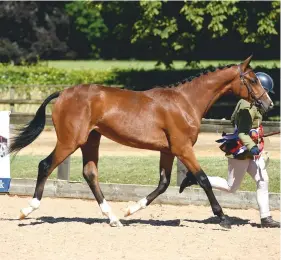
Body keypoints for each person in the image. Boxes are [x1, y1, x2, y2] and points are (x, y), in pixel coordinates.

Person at [180, 72, 280, 228]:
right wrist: (252, 145)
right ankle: (195, 178)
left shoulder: (252, 105)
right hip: (242, 151)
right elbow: (241, 131)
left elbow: (237, 121)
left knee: (263, 180)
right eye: (265, 92)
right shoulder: (247, 107)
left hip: (252, 151)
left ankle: (265, 218)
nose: (266, 96)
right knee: (230, 187)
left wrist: (255, 135)